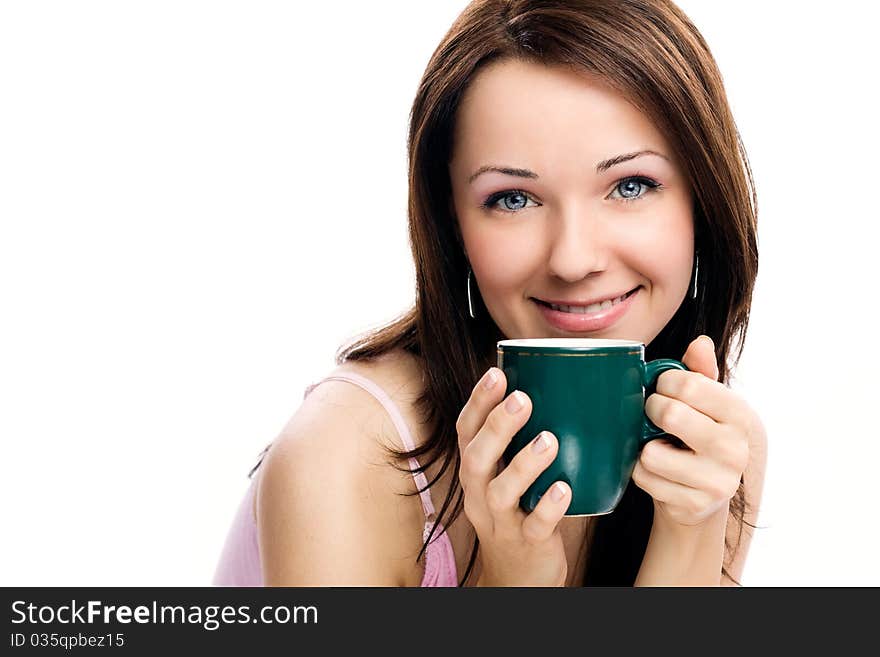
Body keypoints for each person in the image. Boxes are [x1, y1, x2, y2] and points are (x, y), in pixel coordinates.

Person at [213, 0, 767, 587]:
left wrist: (692, 528)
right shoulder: (343, 460)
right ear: (452, 225)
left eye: (631, 185)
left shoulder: (718, 450)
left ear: (703, 202)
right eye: (512, 198)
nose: (574, 259)